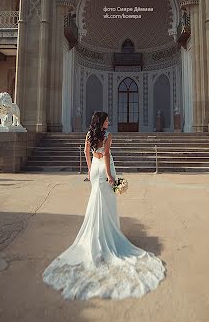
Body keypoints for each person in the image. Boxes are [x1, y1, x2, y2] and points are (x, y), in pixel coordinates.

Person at [42, 111, 166, 300]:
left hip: (94, 170)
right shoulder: (108, 136)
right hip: (104, 170)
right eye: (107, 119)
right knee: (106, 204)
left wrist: (90, 167)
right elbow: (106, 154)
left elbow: (86, 152)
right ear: (102, 122)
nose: (109, 122)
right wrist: (109, 176)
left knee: (95, 202)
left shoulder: (89, 135)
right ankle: (107, 235)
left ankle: (95, 234)